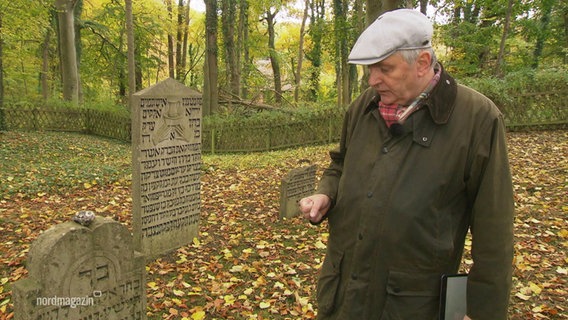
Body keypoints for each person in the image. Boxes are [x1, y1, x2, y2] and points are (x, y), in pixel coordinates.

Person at [298, 9, 514, 320]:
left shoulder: (478, 120)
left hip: (411, 303)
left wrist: (482, 311)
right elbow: (341, 163)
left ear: (423, 63)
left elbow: (495, 231)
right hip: (343, 294)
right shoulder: (364, 106)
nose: (373, 80)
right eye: (371, 68)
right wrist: (326, 193)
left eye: (385, 68)